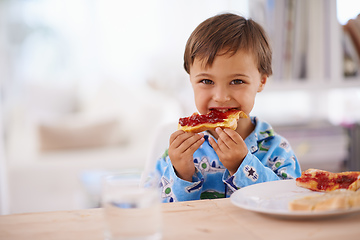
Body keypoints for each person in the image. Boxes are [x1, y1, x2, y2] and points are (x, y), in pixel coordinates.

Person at [155, 13, 301, 202]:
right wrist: (182, 174)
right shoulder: (175, 154)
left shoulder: (277, 150)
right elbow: (155, 214)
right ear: (190, 79)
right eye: (206, 81)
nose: (221, 97)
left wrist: (243, 166)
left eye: (237, 81)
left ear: (262, 81)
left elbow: (290, 202)